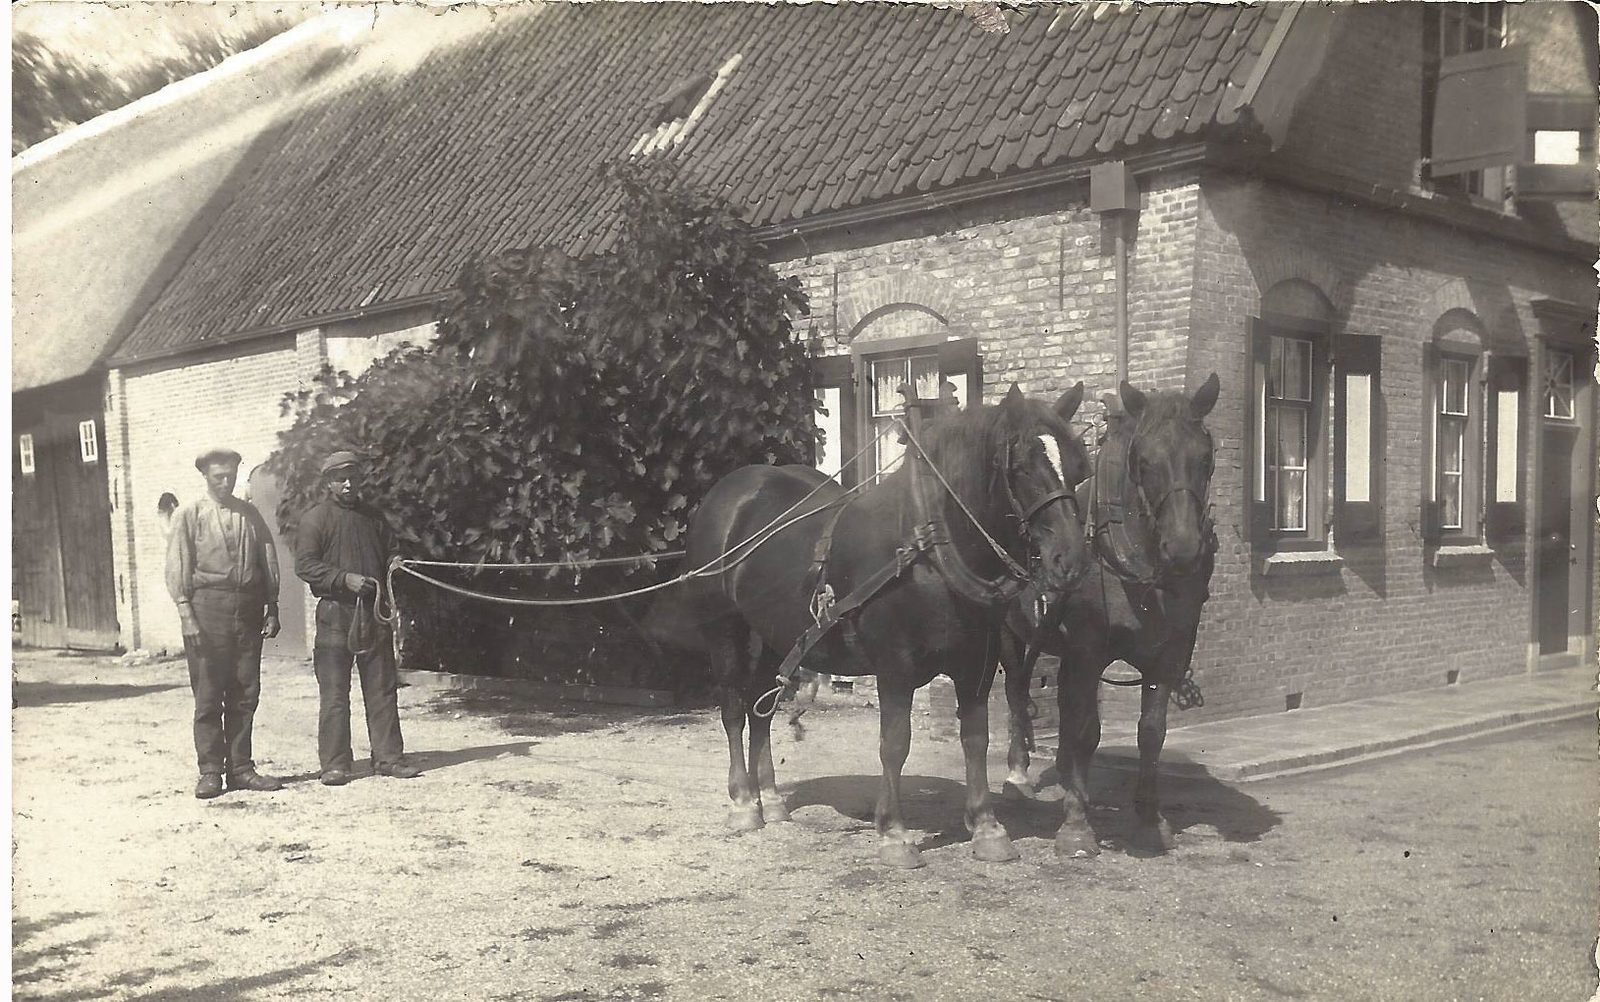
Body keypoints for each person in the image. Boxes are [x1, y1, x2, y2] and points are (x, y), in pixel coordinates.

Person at [294, 451, 421, 786]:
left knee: (382, 690)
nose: (348, 483)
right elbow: (305, 565)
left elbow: (392, 548)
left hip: (374, 616)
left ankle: (389, 758)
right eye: (340, 478)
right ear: (328, 482)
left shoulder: (374, 516)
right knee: (334, 694)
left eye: (353, 476)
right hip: (335, 616)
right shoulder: (315, 519)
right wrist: (342, 579)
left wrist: (396, 561)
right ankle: (335, 764)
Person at [166, 448, 284, 800]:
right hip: (207, 608)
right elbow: (177, 565)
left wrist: (272, 606)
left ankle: (241, 768)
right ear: (205, 476)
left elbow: (267, 558)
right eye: (218, 476)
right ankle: (210, 771)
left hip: (246, 608)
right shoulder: (190, 514)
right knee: (208, 692)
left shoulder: (249, 513)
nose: (225, 481)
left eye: (231, 475)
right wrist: (186, 612)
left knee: (246, 690)